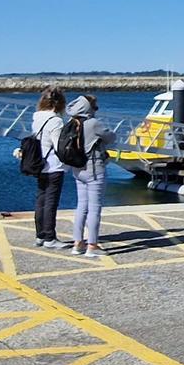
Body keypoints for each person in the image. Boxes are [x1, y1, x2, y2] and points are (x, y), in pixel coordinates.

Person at [62, 94, 112, 260]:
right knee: (95, 207)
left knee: (81, 206)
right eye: (94, 107)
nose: (95, 110)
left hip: (77, 169)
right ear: (89, 108)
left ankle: (78, 243)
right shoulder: (93, 123)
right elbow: (111, 137)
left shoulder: (71, 123)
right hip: (94, 168)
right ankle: (92, 245)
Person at [25, 87, 66, 249]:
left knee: (40, 200)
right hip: (53, 165)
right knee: (51, 202)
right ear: (59, 104)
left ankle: (40, 235)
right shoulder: (56, 121)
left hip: (39, 163)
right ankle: (50, 237)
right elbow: (58, 145)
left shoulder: (37, 118)